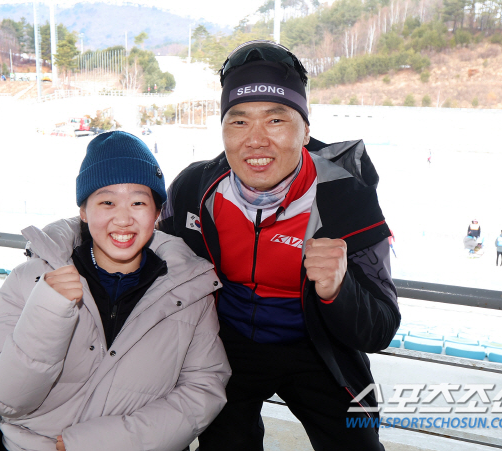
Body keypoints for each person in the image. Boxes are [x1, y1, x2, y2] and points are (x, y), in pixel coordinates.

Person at [157, 40, 399, 450]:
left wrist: (339, 290)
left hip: (318, 348)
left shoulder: (346, 197)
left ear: (305, 129)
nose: (255, 140)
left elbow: (379, 329)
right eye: (238, 122)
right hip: (227, 344)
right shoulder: (194, 190)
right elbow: (151, 265)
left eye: (275, 120)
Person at [0, 131, 230, 451]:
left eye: (138, 202)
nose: (123, 218)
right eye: (107, 202)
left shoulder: (189, 290)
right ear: (84, 211)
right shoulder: (31, 280)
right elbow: (4, 399)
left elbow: (203, 391)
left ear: (156, 213)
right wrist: (47, 312)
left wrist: (95, 443)